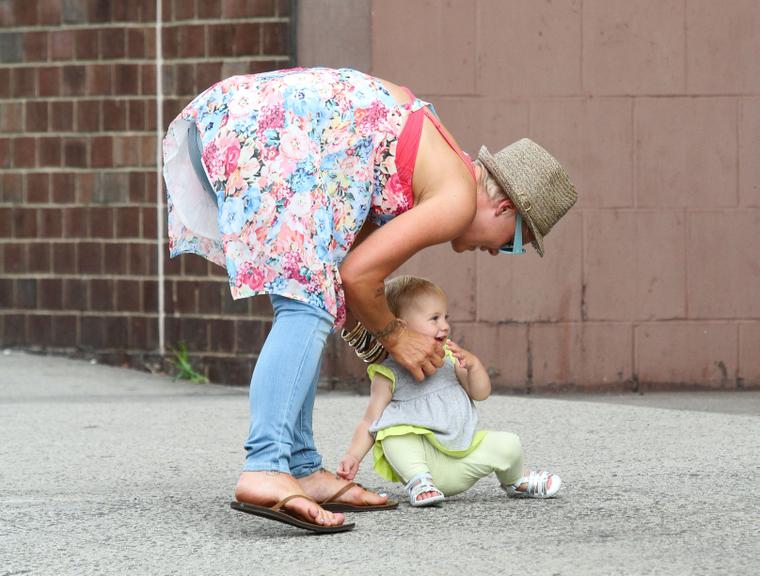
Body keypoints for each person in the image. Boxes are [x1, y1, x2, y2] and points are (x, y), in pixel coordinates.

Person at [162, 67, 576, 533]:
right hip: (263, 129)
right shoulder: (456, 196)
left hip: (243, 121)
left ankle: (299, 466)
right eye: (516, 242)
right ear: (505, 208)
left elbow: (351, 268)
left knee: (315, 297)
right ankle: (266, 465)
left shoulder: (439, 169)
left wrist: (373, 333)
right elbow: (358, 275)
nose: (502, 253)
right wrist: (394, 335)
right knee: (307, 304)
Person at [337, 276, 561, 506]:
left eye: (445, 317)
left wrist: (473, 367)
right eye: (434, 318)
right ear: (401, 327)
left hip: (465, 452)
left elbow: (480, 393)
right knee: (392, 435)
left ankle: (516, 481)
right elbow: (370, 422)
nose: (444, 325)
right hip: (424, 461)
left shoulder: (451, 358)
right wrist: (353, 456)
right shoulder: (387, 374)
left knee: (509, 443)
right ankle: (419, 482)